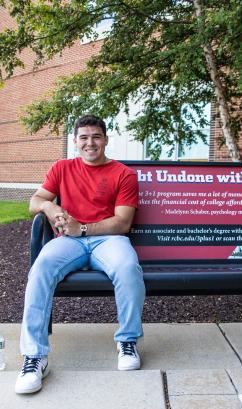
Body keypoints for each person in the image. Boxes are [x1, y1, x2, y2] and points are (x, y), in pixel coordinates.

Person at [15, 115, 145, 394]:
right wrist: (50, 208)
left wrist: (82, 228)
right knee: (41, 267)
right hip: (69, 243)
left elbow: (123, 222)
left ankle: (127, 341)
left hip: (108, 240)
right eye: (84, 138)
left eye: (96, 137)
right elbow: (34, 201)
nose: (90, 143)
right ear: (75, 142)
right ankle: (35, 356)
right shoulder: (62, 167)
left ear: (106, 140)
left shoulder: (123, 174)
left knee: (127, 267)